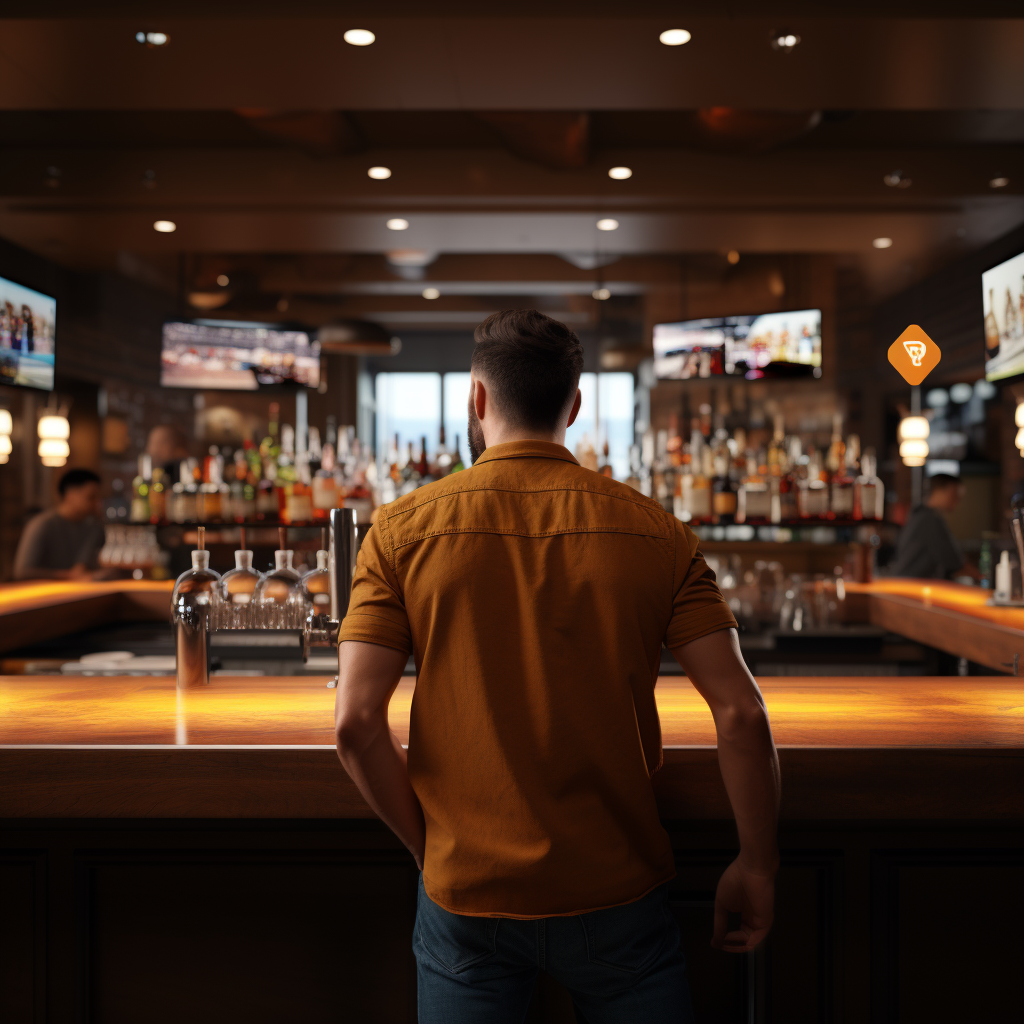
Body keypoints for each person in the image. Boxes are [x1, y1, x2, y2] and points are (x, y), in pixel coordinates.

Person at [334, 309, 780, 1023]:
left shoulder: (398, 532)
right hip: (619, 894)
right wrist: (757, 864)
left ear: (476, 401)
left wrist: (434, 852)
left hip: (466, 895)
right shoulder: (658, 531)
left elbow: (356, 724)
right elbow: (741, 712)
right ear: (573, 406)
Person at [13, 468, 107, 581]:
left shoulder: (94, 526)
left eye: (99, 498)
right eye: (91, 497)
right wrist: (68, 576)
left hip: (80, 593)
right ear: (70, 495)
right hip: (46, 593)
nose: (98, 503)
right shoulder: (42, 524)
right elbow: (22, 572)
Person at [890, 473, 982, 581]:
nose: (957, 500)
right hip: (909, 587)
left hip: (903, 583)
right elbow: (955, 564)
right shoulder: (930, 520)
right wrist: (983, 578)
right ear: (939, 491)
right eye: (954, 495)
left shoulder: (918, 514)